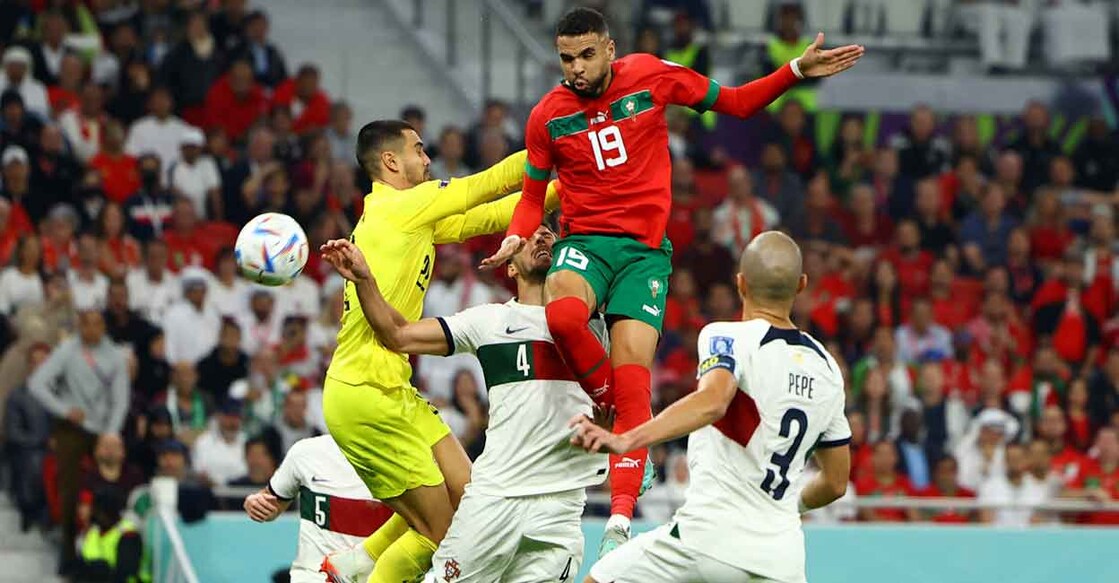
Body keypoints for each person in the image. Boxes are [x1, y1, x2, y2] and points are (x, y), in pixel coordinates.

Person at [483, 6, 863, 556]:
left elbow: (735, 103)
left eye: (587, 55)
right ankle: (608, 402)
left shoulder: (652, 75)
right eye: (567, 58)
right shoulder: (548, 115)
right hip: (585, 242)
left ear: (610, 50)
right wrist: (517, 238)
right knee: (563, 315)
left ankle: (618, 521)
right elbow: (528, 198)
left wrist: (795, 73)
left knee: (637, 379)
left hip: (644, 257)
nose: (576, 68)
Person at [320, 119, 560, 583]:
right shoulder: (401, 208)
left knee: (469, 497)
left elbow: (491, 217)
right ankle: (363, 571)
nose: (428, 161)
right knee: (440, 533)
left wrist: (564, 191)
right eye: (419, 151)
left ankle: (356, 562)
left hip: (391, 387)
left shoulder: (410, 215)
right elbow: (489, 183)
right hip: (364, 394)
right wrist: (558, 155)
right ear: (391, 161)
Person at [320, 224, 607, 582]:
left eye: (549, 233)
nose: (542, 238)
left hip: (563, 507)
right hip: (495, 499)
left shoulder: (597, 327)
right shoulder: (490, 321)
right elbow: (398, 334)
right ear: (511, 266)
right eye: (530, 235)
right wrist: (365, 280)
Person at [571, 231, 851, 583]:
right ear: (802, 285)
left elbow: (714, 400)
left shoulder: (728, 337)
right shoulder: (827, 367)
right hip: (782, 557)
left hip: (706, 540)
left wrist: (628, 440)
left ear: (740, 284)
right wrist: (780, 510)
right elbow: (837, 483)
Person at [29, 310, 130, 567]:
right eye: (87, 324)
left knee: (109, 486)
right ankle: (68, 553)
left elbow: (121, 398)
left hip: (104, 429)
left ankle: (109, 548)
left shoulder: (115, 356)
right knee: (69, 490)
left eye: (97, 324)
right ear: (80, 326)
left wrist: (111, 433)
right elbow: (37, 383)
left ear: (104, 327)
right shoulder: (67, 350)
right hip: (73, 428)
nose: (92, 330)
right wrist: (64, 410)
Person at [243, 435, 394, 583]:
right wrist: (257, 504)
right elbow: (273, 502)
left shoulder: (405, 458)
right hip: (315, 576)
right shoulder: (305, 452)